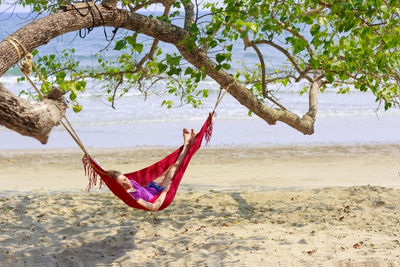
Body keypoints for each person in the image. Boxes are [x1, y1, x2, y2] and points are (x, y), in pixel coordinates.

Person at [108, 128, 196, 211]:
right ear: (119, 189)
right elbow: (154, 207)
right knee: (175, 167)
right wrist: (165, 191)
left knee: (171, 166)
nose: (127, 183)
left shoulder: (130, 182)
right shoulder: (132, 197)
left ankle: (188, 146)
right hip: (158, 193)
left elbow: (107, 175)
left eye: (125, 179)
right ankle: (187, 145)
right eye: (122, 185)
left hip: (151, 186)